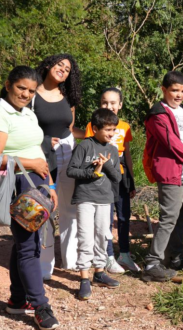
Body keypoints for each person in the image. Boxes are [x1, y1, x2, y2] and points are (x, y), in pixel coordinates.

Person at [0, 66, 60, 329]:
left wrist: (51, 185)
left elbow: (38, 150)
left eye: (31, 91)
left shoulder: (29, 114)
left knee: (25, 241)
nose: (25, 94)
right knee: (29, 246)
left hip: (38, 183)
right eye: (21, 88)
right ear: (9, 84)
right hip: (19, 183)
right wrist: (31, 163)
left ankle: (18, 299)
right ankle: (40, 305)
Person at [142, 71, 183, 282]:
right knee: (169, 217)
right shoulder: (157, 114)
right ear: (164, 89)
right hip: (171, 171)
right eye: (174, 90)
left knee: (182, 215)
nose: (179, 95)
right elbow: (170, 142)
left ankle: (175, 258)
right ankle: (152, 262)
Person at [34, 54, 84, 279]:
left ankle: (71, 259)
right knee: (46, 209)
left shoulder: (67, 95)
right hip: (43, 155)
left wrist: (95, 135)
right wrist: (44, 141)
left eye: (67, 68)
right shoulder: (31, 93)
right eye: (59, 65)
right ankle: (45, 266)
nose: (63, 69)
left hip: (68, 153)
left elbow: (71, 128)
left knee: (69, 208)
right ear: (48, 65)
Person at [67, 108, 122, 299]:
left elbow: (117, 178)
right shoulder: (84, 146)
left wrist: (105, 164)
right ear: (95, 128)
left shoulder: (113, 150)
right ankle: (84, 277)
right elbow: (71, 170)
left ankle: (99, 272)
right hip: (85, 198)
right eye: (107, 129)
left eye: (113, 129)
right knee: (85, 236)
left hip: (105, 200)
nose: (111, 133)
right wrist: (91, 173)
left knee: (102, 236)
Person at [85, 88, 140, 272]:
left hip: (122, 177)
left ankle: (124, 254)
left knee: (124, 216)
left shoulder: (124, 127)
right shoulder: (92, 126)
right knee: (105, 218)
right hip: (103, 178)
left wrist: (131, 180)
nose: (109, 106)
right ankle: (106, 255)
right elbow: (88, 152)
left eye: (113, 103)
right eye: (105, 102)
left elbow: (128, 154)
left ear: (120, 105)